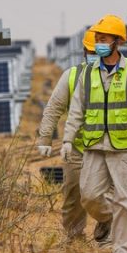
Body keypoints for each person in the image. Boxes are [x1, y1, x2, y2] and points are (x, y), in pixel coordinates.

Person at [62, 15, 127, 253]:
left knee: (125, 199)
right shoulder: (88, 73)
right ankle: (110, 219)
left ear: (117, 41)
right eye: (97, 39)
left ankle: (122, 252)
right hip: (93, 146)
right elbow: (76, 110)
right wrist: (68, 138)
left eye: (103, 39)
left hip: (125, 146)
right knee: (89, 196)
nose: (99, 43)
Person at [36, 29, 99, 240]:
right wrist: (45, 138)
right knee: (74, 192)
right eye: (91, 51)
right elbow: (53, 108)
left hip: (109, 147)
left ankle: (108, 231)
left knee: (105, 194)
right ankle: (74, 236)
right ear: (84, 52)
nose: (95, 55)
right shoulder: (71, 76)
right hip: (77, 148)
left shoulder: (119, 76)